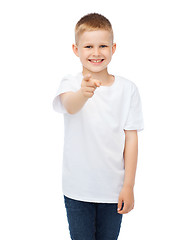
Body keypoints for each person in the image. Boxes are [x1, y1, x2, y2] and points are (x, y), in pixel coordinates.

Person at [52, 12, 144, 240]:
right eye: (88, 46)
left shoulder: (128, 89)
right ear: (76, 50)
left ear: (113, 48)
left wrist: (128, 186)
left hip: (113, 191)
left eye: (103, 45)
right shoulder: (70, 83)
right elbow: (70, 105)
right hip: (77, 189)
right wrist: (83, 93)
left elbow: (131, 139)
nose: (96, 53)